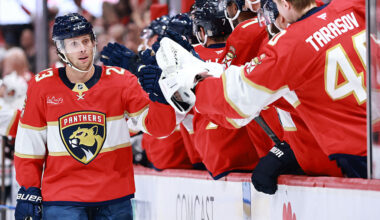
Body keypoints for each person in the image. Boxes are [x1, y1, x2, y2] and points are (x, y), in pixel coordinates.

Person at [157, 0, 367, 179]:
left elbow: (237, 96)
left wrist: (194, 88)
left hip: (354, 154)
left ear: (285, 3)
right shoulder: (351, 7)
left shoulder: (290, 46)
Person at [14, 13, 177, 220]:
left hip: (114, 198)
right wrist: (29, 191)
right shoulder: (41, 86)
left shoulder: (122, 81)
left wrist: (160, 98)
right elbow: (29, 146)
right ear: (61, 50)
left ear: (94, 43)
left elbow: (160, 129)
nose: (82, 48)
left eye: (85, 41)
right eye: (73, 43)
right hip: (63, 199)